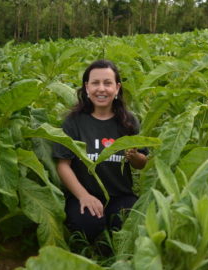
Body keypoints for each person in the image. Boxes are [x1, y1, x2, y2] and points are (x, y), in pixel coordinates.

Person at [53, 59, 148, 242]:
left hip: (120, 195)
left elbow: (142, 163)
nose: (101, 89)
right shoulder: (73, 122)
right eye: (95, 83)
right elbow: (63, 165)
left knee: (128, 223)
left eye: (107, 83)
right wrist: (83, 196)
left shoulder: (128, 122)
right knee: (88, 226)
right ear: (87, 88)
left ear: (117, 88)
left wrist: (135, 156)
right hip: (84, 193)